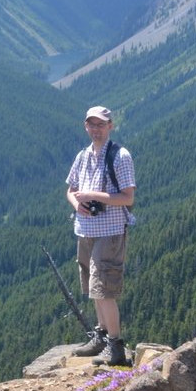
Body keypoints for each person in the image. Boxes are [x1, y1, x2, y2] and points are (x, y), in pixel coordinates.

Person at [65, 105, 136, 366]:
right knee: (94, 288)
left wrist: (93, 196)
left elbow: (128, 197)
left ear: (110, 126)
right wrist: (77, 204)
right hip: (85, 230)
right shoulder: (83, 156)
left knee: (104, 288)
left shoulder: (120, 156)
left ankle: (116, 347)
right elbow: (71, 190)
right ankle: (101, 336)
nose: (96, 129)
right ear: (86, 126)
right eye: (91, 124)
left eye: (101, 124)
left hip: (111, 231)